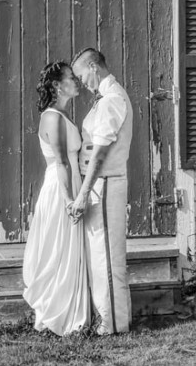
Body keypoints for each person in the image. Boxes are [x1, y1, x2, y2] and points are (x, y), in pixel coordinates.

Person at [22, 62, 92, 336]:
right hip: (61, 188)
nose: (76, 81)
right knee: (58, 248)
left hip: (70, 181)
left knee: (68, 250)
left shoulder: (62, 116)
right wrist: (69, 200)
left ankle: (69, 312)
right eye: (70, 78)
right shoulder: (52, 117)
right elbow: (62, 162)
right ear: (57, 85)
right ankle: (55, 315)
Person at [67, 48, 134, 335]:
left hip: (105, 183)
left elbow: (100, 154)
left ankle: (114, 324)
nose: (82, 83)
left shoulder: (112, 100)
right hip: (100, 184)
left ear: (93, 67)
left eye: (82, 75)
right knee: (98, 252)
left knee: (107, 254)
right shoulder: (104, 100)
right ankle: (106, 319)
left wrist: (83, 192)